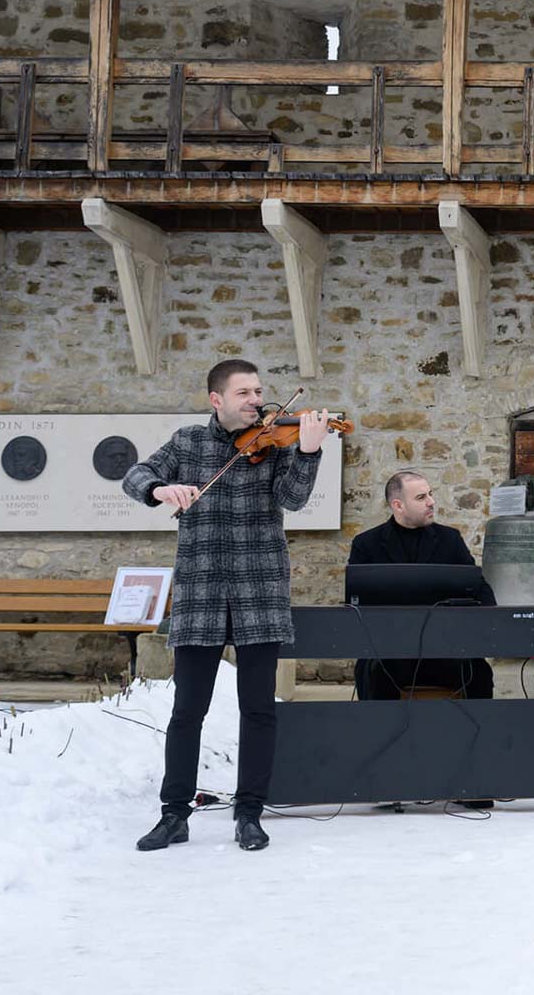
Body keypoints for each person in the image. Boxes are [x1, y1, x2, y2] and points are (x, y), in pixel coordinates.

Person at [124, 359, 331, 853]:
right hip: (201, 592)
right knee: (186, 711)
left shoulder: (276, 443)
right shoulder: (187, 442)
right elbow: (135, 475)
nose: (256, 400)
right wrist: (159, 489)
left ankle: (250, 813)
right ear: (217, 399)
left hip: (260, 592)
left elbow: (293, 500)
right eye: (244, 393)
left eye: (258, 391)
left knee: (258, 711)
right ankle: (174, 814)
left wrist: (308, 451)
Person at [347, 470, 494, 703]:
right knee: (374, 672)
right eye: (421, 497)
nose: (431, 502)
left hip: (444, 649)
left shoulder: (450, 539)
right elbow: (355, 602)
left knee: (478, 672)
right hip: (389, 651)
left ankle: (477, 727)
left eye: (430, 494)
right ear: (398, 505)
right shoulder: (367, 544)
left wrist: (489, 624)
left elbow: (478, 588)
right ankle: (381, 727)